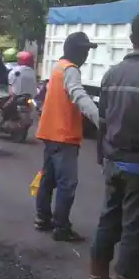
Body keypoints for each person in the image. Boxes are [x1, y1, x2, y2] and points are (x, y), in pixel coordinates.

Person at [88, 15, 139, 279]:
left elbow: (102, 123)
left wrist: (101, 156)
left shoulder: (112, 74)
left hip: (114, 160)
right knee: (134, 228)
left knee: (109, 218)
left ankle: (97, 278)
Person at [35, 31, 99, 242]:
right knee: (67, 184)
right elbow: (79, 95)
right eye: (85, 51)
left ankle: (43, 219)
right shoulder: (71, 70)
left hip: (49, 133)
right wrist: (102, 121)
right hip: (64, 137)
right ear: (77, 51)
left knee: (48, 179)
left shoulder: (57, 67)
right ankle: (61, 228)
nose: (87, 56)